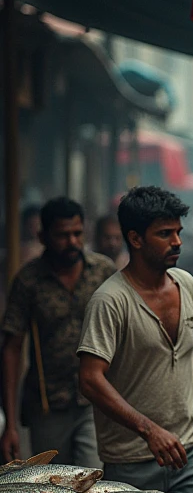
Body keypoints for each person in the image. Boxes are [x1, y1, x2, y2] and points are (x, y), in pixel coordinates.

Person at [78, 186, 193, 493]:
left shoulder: (186, 284)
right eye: (164, 234)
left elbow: (190, 351)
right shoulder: (109, 301)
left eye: (178, 232)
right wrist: (148, 430)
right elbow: (90, 379)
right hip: (131, 461)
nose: (177, 242)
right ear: (135, 239)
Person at [1, 197, 115, 467]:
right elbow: (11, 348)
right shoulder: (29, 280)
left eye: (77, 233)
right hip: (48, 403)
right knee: (53, 488)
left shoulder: (103, 271)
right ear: (43, 236)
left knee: (92, 479)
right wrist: (11, 424)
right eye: (63, 235)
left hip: (96, 399)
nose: (72, 241)